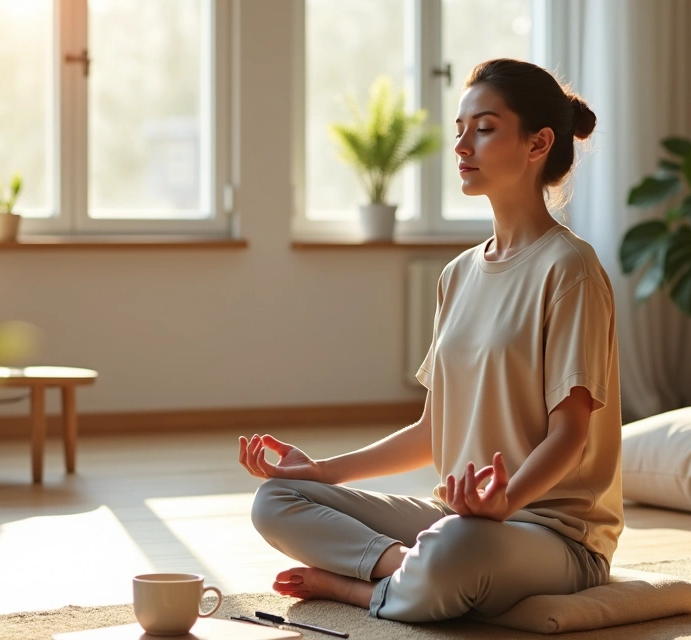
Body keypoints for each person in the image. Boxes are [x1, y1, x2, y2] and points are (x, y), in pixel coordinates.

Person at [238, 58, 622, 624]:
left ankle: (361, 588)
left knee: (453, 550)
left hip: (553, 535)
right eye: (461, 128)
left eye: (484, 128)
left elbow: (570, 435)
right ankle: (401, 567)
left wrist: (506, 502)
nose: (462, 144)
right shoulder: (458, 275)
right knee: (274, 501)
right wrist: (321, 472)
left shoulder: (571, 269)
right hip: (460, 520)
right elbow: (432, 430)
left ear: (538, 143)